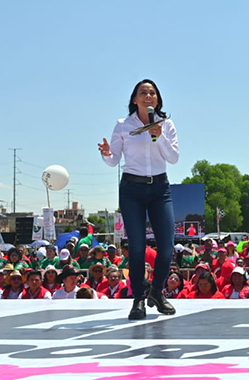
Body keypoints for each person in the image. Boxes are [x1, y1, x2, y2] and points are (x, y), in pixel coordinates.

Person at [99, 79, 179, 320]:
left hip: (160, 188)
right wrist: (106, 154)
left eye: (152, 93)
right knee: (137, 247)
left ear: (157, 99)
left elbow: (174, 158)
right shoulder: (123, 125)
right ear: (134, 99)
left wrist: (160, 135)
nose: (148, 96)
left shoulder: (167, 124)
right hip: (132, 188)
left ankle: (156, 291)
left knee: (166, 247)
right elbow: (114, 160)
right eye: (143, 92)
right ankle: (138, 299)